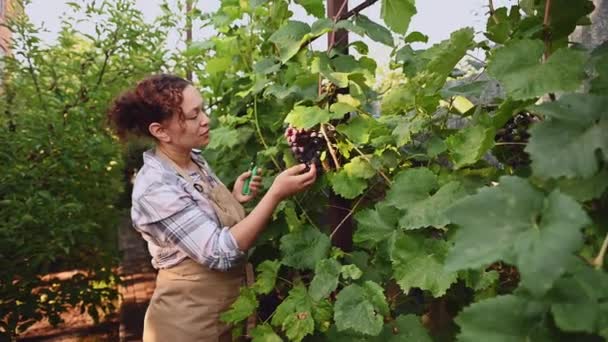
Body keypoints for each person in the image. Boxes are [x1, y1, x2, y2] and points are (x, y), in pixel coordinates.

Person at [107, 74, 317, 341]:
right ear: (160, 131)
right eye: (193, 116)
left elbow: (199, 219)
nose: (206, 120)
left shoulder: (193, 160)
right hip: (187, 325)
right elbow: (219, 252)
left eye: (203, 109)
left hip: (224, 312)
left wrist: (231, 198)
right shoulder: (155, 188)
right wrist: (274, 194)